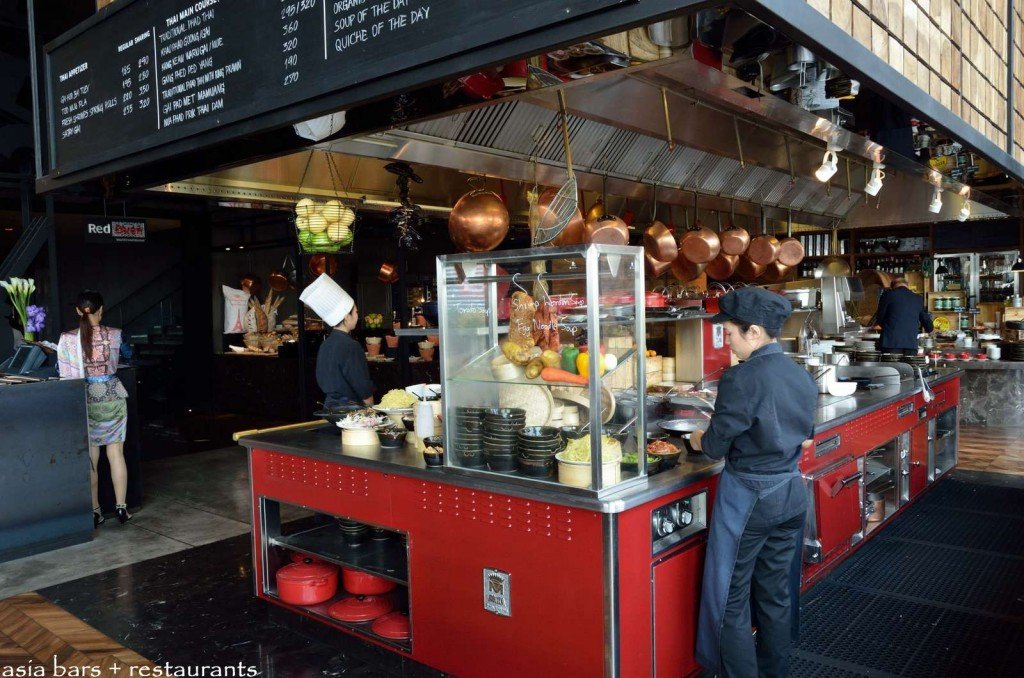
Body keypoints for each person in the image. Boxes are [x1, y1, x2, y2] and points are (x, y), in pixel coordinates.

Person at [689, 287, 817, 677]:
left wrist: (695, 437)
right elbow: (804, 432)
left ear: (755, 333)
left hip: (750, 499)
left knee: (729, 597)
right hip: (792, 493)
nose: (727, 341)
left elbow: (713, 446)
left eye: (730, 333)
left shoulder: (740, 378)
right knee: (775, 594)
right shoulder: (801, 374)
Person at [56, 290, 132, 526]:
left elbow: (62, 373)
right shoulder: (116, 334)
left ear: (78, 311)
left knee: (91, 458)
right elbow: (128, 356)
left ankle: (95, 510)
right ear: (101, 309)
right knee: (116, 454)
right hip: (112, 395)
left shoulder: (67, 338)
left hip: (84, 399)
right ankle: (121, 508)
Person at [300, 274, 374, 409]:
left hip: (329, 408)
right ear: (347, 317)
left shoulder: (325, 344)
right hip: (352, 411)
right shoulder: (351, 346)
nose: (358, 316)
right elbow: (361, 384)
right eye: (356, 312)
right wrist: (370, 408)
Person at [873, 279, 933, 356]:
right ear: (907, 285)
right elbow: (929, 326)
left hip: (890, 344)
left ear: (893, 287)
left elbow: (880, 318)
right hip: (911, 346)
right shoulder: (917, 298)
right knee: (907, 368)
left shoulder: (887, 295)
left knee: (892, 368)